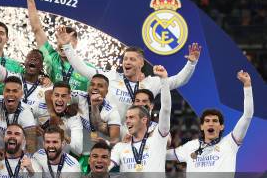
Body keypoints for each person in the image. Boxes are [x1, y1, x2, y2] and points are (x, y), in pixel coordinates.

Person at [58, 29, 201, 133]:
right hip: (108, 134)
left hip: (136, 139)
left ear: (141, 64)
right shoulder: (111, 77)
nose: (127, 62)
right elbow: (82, 68)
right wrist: (67, 47)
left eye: (132, 59)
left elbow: (179, 80)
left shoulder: (151, 83)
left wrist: (191, 64)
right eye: (125, 59)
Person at [25, 0, 96, 91]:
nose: (63, 43)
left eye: (67, 41)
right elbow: (37, 29)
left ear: (76, 43)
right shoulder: (50, 56)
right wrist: (30, 0)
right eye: (61, 40)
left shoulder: (87, 68)